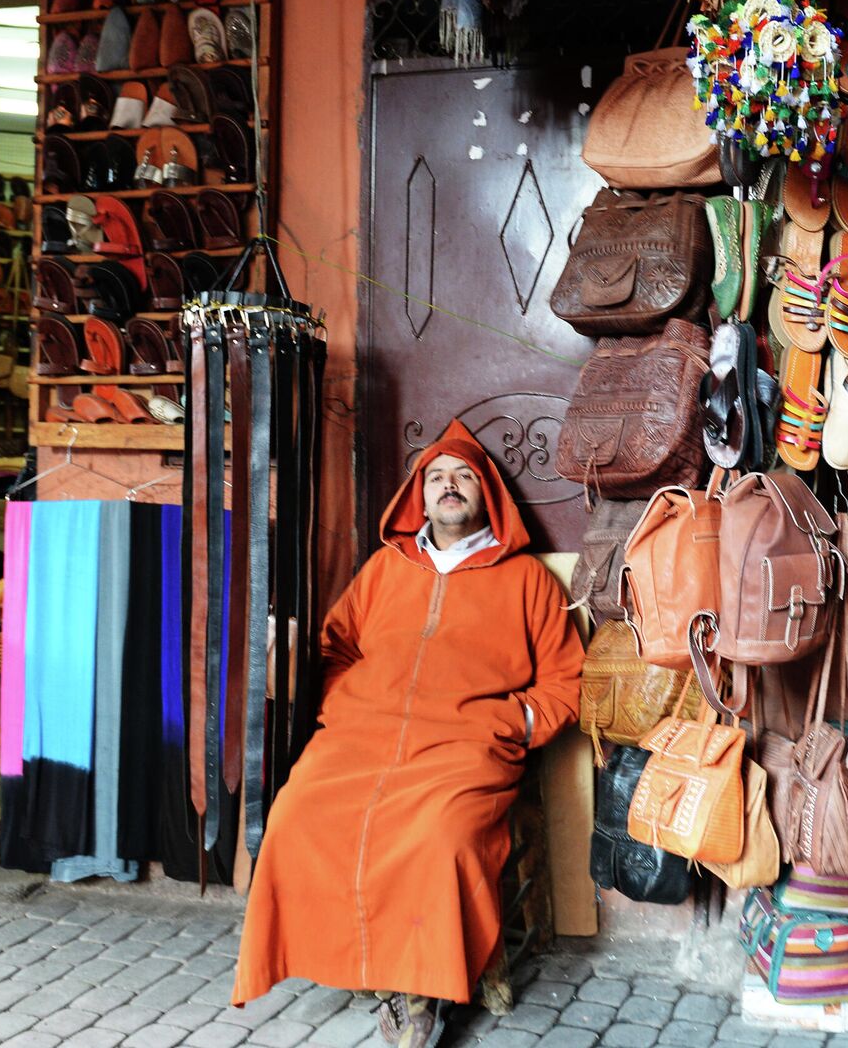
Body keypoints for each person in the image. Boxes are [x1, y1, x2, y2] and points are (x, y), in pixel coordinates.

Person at [232, 420, 585, 1048]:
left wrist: (505, 726)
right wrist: (345, 702)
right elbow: (335, 646)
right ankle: (361, 958)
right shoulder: (384, 568)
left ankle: (417, 994)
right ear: (417, 496)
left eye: (464, 476)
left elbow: (563, 684)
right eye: (436, 477)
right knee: (296, 815)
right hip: (360, 736)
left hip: (465, 748)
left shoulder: (527, 579)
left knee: (437, 837)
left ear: (488, 494)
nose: (449, 487)